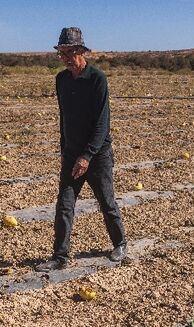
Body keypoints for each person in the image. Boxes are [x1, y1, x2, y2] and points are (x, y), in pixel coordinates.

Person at [36, 27, 127, 271]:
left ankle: (120, 243)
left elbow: (102, 123)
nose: (64, 58)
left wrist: (87, 156)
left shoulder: (97, 79)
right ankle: (60, 256)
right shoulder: (61, 80)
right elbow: (63, 117)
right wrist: (65, 150)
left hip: (97, 156)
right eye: (61, 53)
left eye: (68, 52)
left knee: (106, 201)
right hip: (72, 154)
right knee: (64, 204)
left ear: (80, 51)